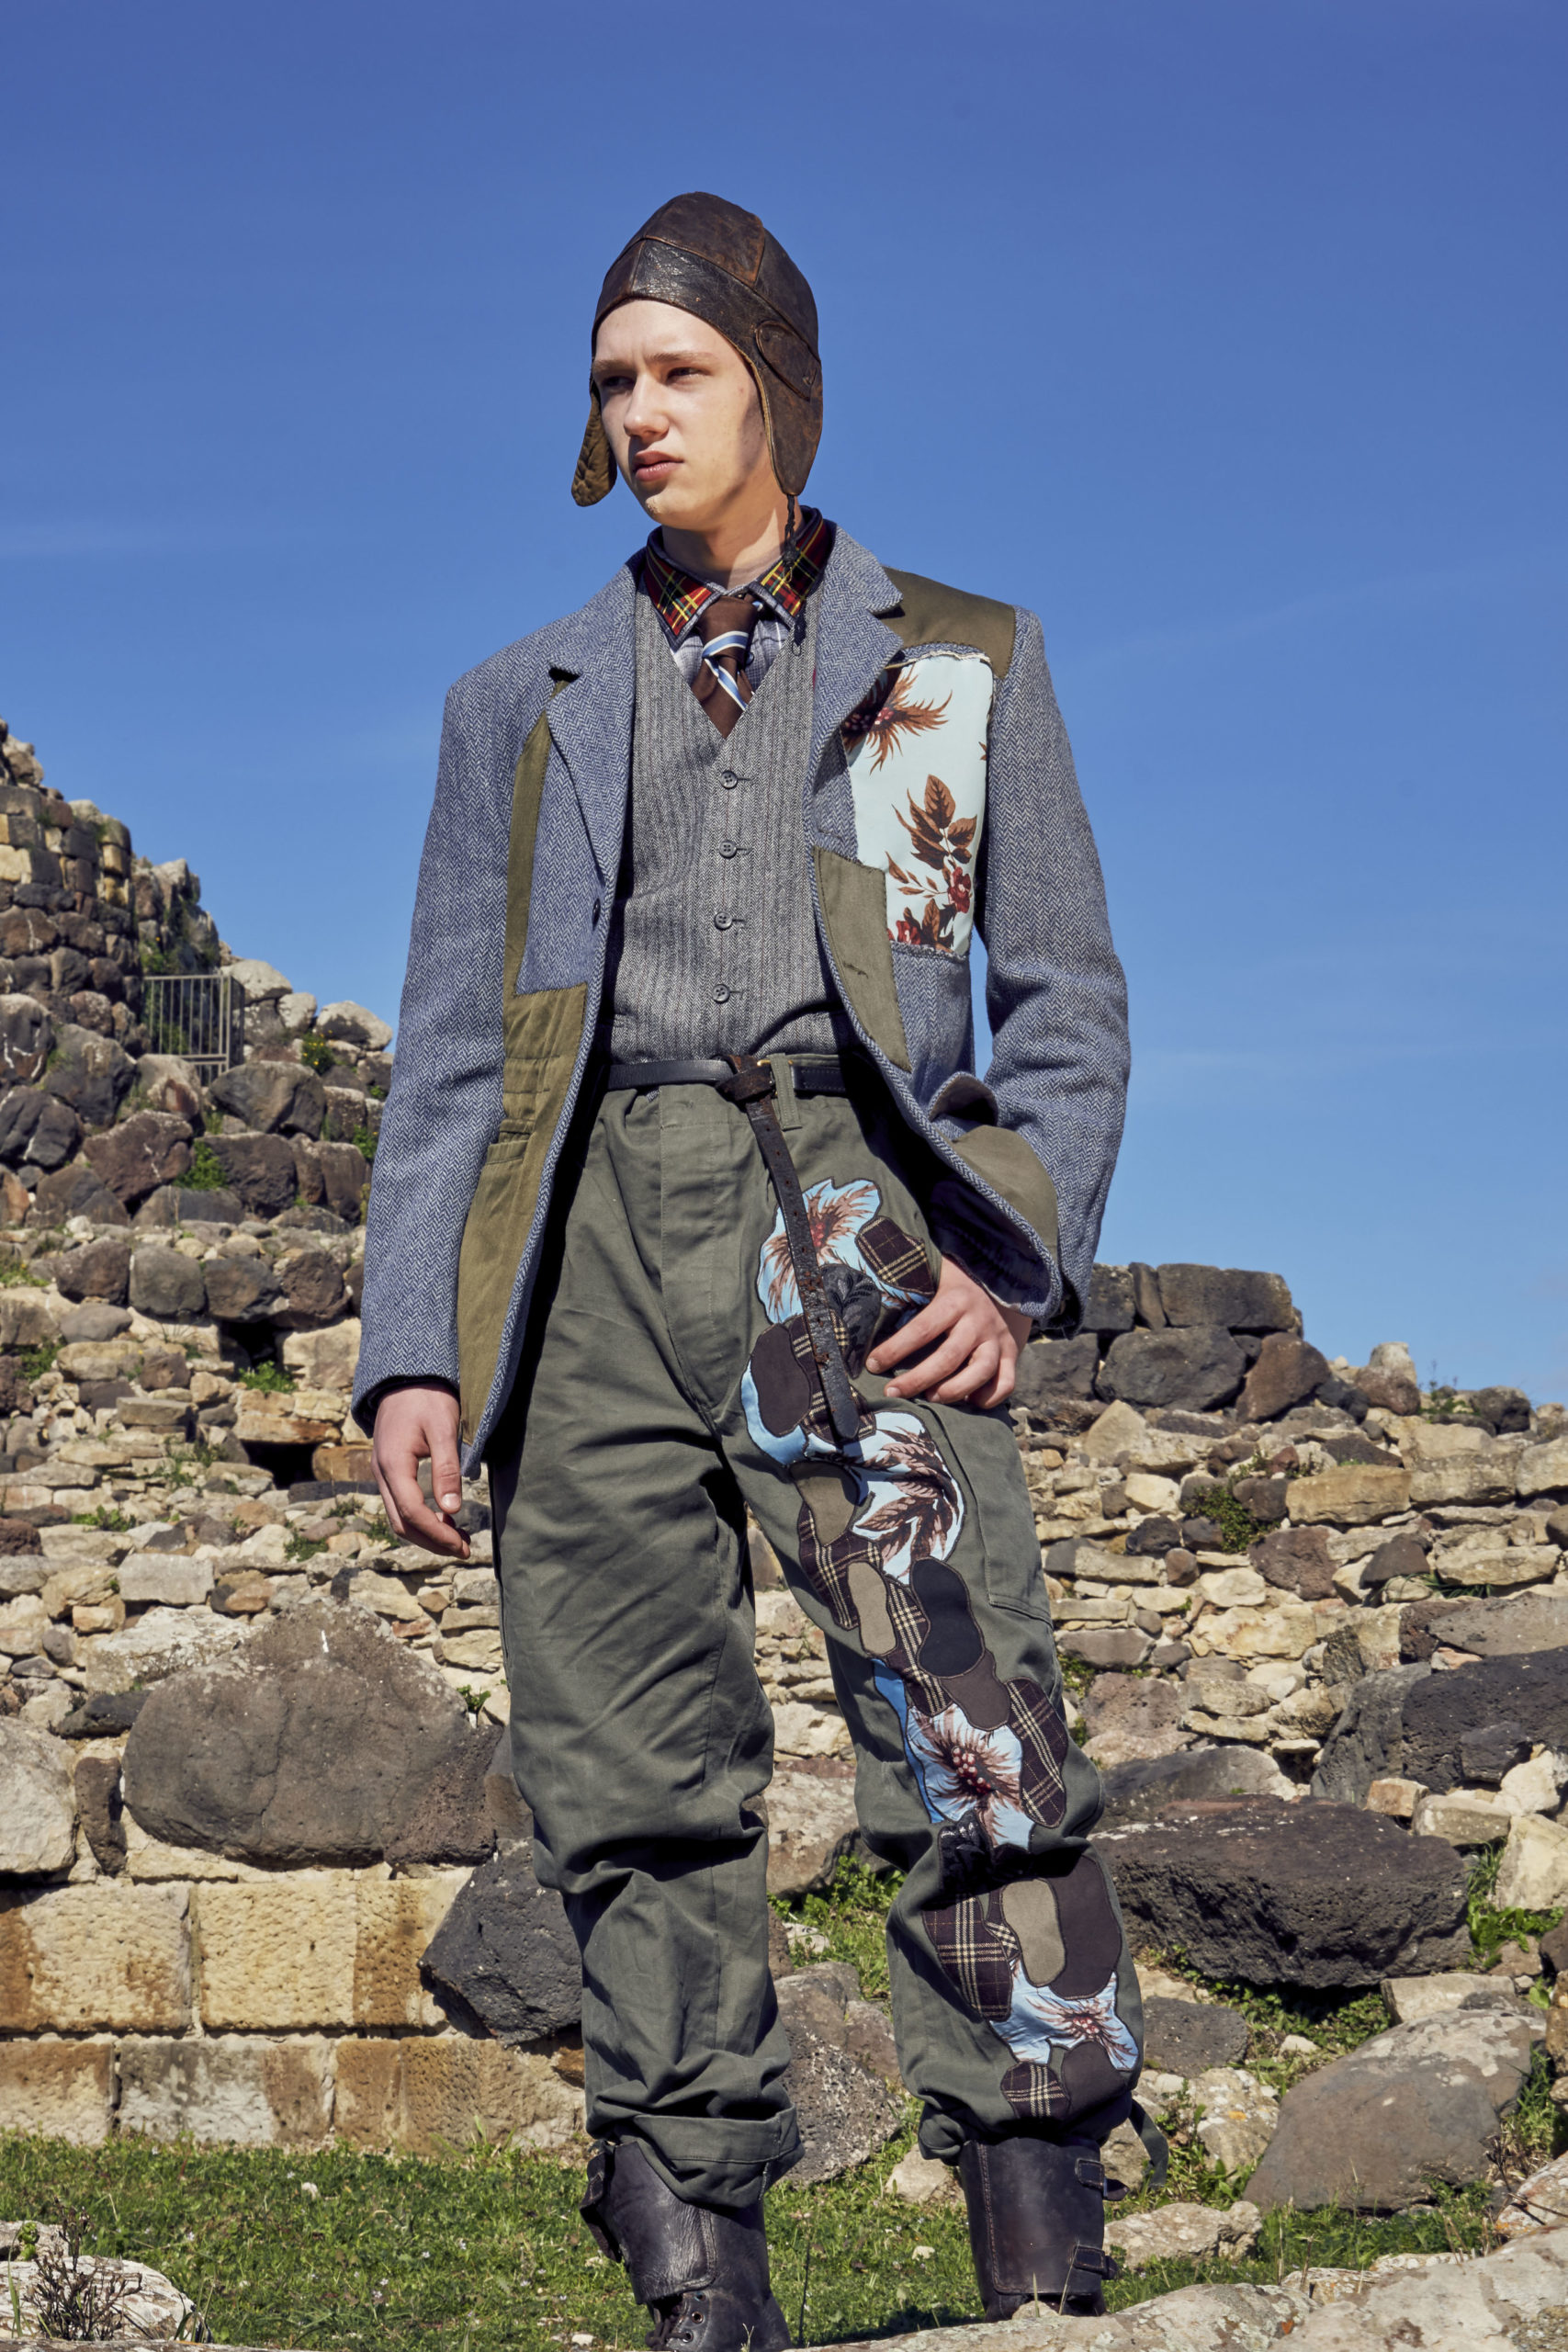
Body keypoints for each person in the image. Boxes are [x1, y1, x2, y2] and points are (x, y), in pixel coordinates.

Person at [355, 192, 1152, 2343]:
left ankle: (1039, 2243)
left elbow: (1063, 1003)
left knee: (968, 1725)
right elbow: (449, 1052)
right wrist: (414, 1342)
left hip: (854, 1219)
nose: (639, 410)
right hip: (585, 1234)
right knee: (624, 1763)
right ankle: (700, 2255)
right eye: (610, 379)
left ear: (775, 387)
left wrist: (1012, 1256)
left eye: (678, 371)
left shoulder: (955, 661)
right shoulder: (510, 707)